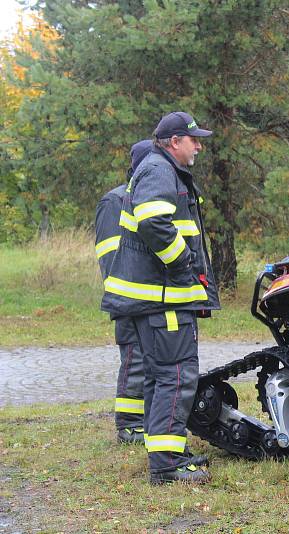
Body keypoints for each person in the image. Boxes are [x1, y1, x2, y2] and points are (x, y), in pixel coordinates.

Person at [101, 112, 219, 485]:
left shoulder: (158, 168)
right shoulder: (159, 170)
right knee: (176, 374)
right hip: (162, 299)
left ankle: (166, 452)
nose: (198, 146)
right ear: (173, 142)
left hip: (154, 299)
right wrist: (182, 262)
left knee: (159, 377)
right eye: (193, 140)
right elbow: (154, 222)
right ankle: (168, 465)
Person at [95, 140, 151, 444]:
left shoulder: (148, 198)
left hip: (150, 297)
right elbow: (109, 255)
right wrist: (127, 295)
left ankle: (147, 422)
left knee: (153, 363)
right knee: (136, 359)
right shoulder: (114, 201)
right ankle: (129, 425)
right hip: (128, 299)